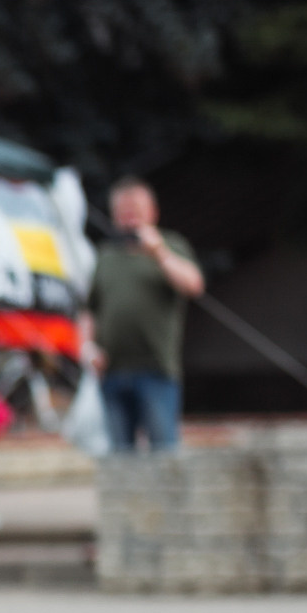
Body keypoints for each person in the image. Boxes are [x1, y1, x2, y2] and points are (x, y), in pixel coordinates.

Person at [80, 176, 203, 452]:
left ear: (153, 213)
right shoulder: (106, 256)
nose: (130, 220)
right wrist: (87, 347)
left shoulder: (171, 246)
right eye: (123, 213)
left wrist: (158, 252)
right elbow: (90, 310)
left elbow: (193, 284)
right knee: (120, 456)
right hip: (111, 372)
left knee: (164, 451)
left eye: (135, 212)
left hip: (156, 369)